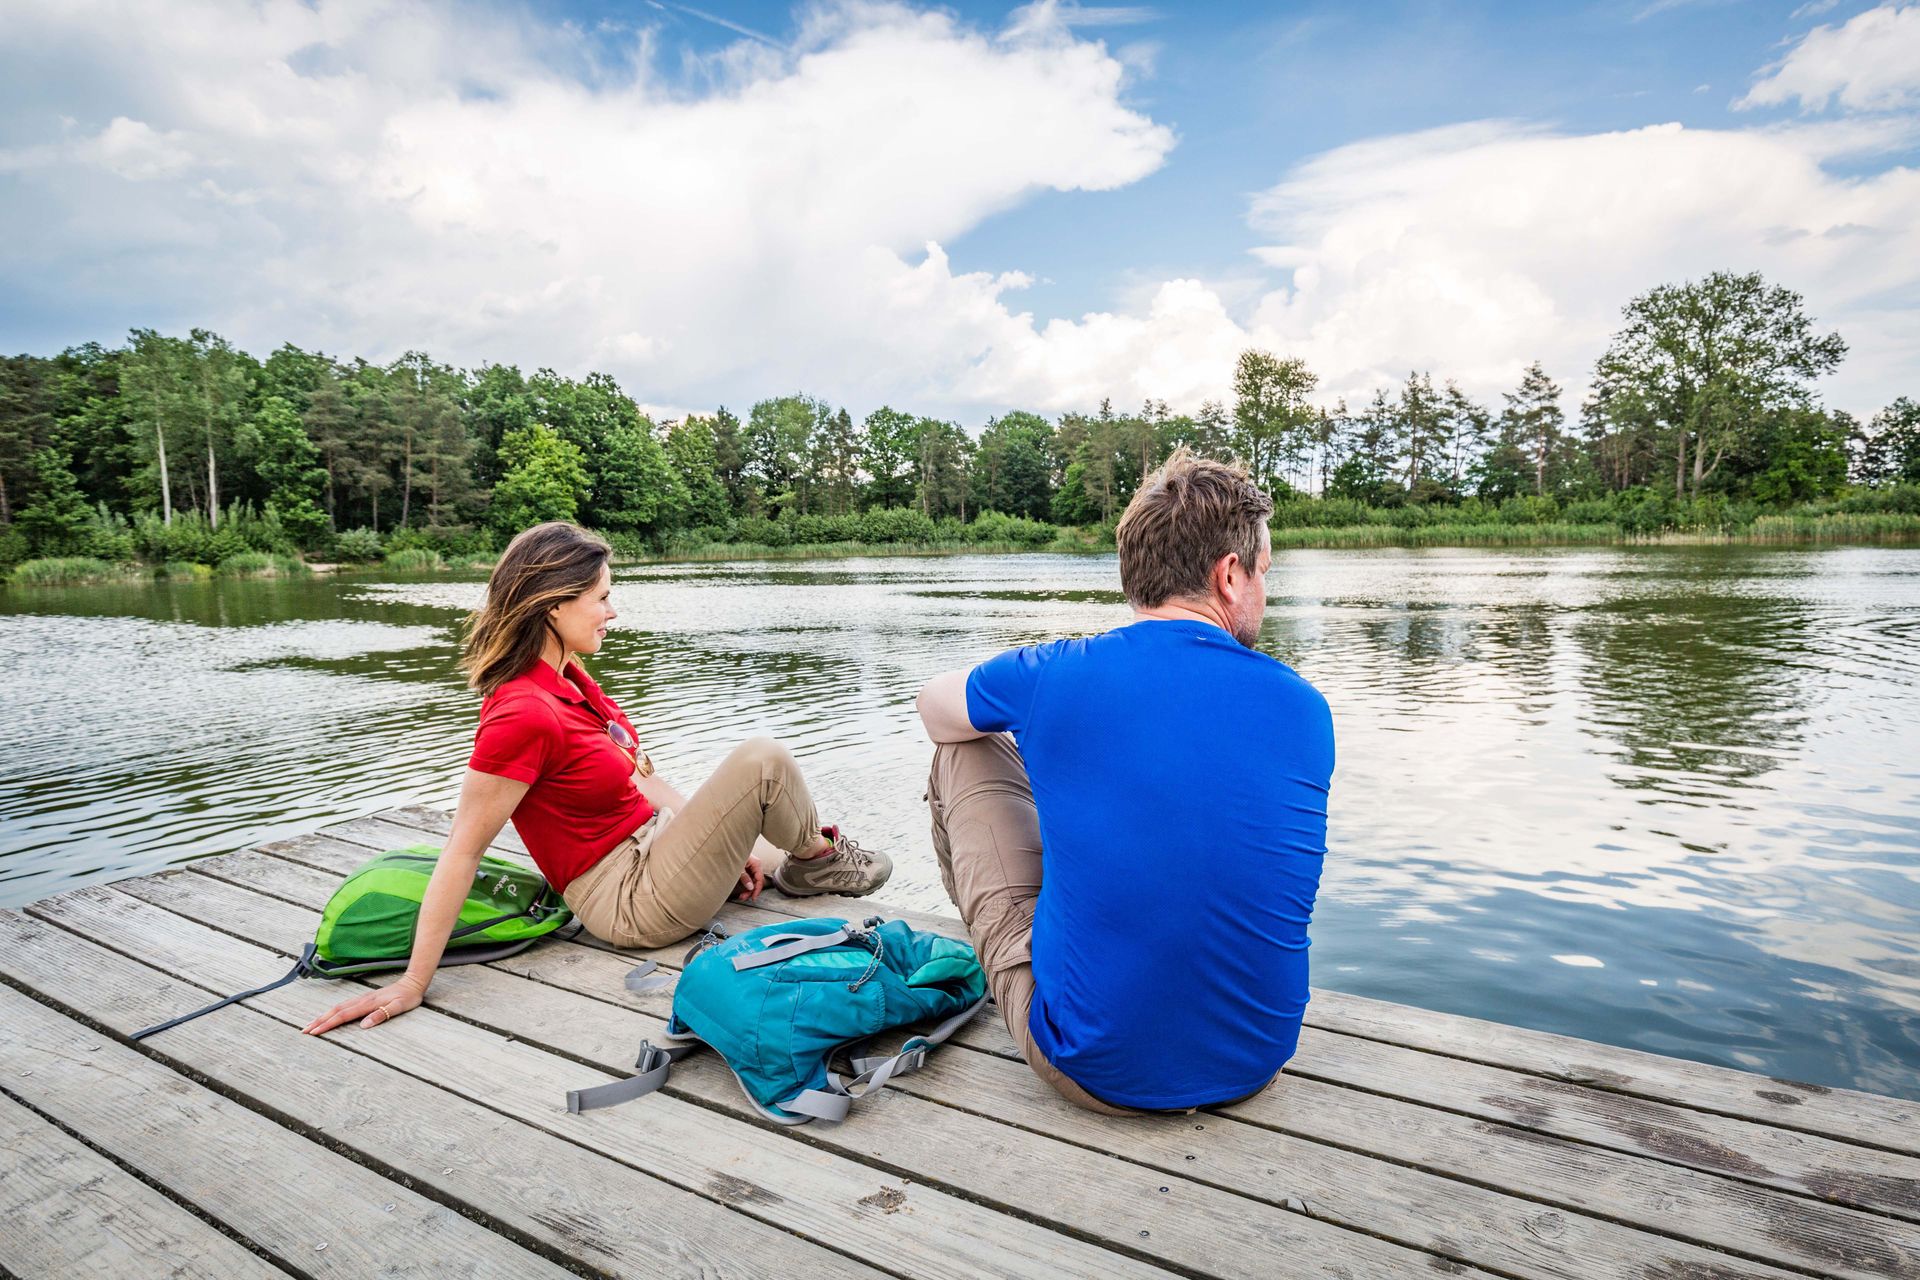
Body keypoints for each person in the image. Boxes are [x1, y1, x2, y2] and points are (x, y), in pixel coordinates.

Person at [303, 521, 891, 1037]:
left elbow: (642, 781)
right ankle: (817, 858)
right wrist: (412, 982)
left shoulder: (569, 678)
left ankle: (799, 859)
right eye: (603, 598)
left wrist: (714, 848)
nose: (613, 612)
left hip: (653, 848)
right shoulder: (521, 712)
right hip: (627, 900)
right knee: (763, 762)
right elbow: (462, 848)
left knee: (765, 826)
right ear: (553, 604)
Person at [914, 448, 1333, 1114]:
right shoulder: (1305, 706)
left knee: (962, 747)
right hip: (1258, 1058)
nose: (1263, 591)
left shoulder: (1057, 671)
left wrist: (1035, 724)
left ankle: (1006, 967)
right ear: (1230, 575)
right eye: (1264, 573)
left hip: (1097, 1070)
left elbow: (932, 708)